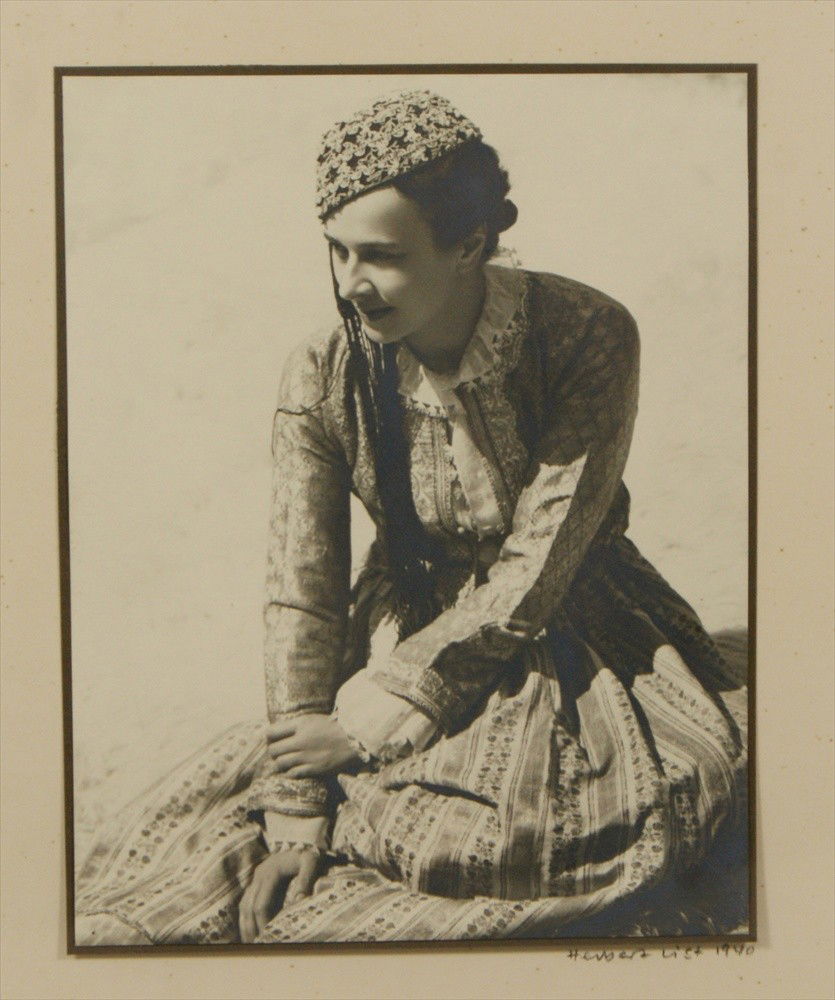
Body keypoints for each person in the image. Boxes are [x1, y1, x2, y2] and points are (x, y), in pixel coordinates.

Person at [75, 90, 748, 946]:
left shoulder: (586, 331)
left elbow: (539, 560)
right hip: (401, 620)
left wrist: (368, 720)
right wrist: (294, 804)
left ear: (469, 245)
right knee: (247, 833)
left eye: (382, 257)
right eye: (336, 252)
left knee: (606, 813)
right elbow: (302, 594)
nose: (352, 285)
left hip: (574, 620)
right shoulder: (321, 371)